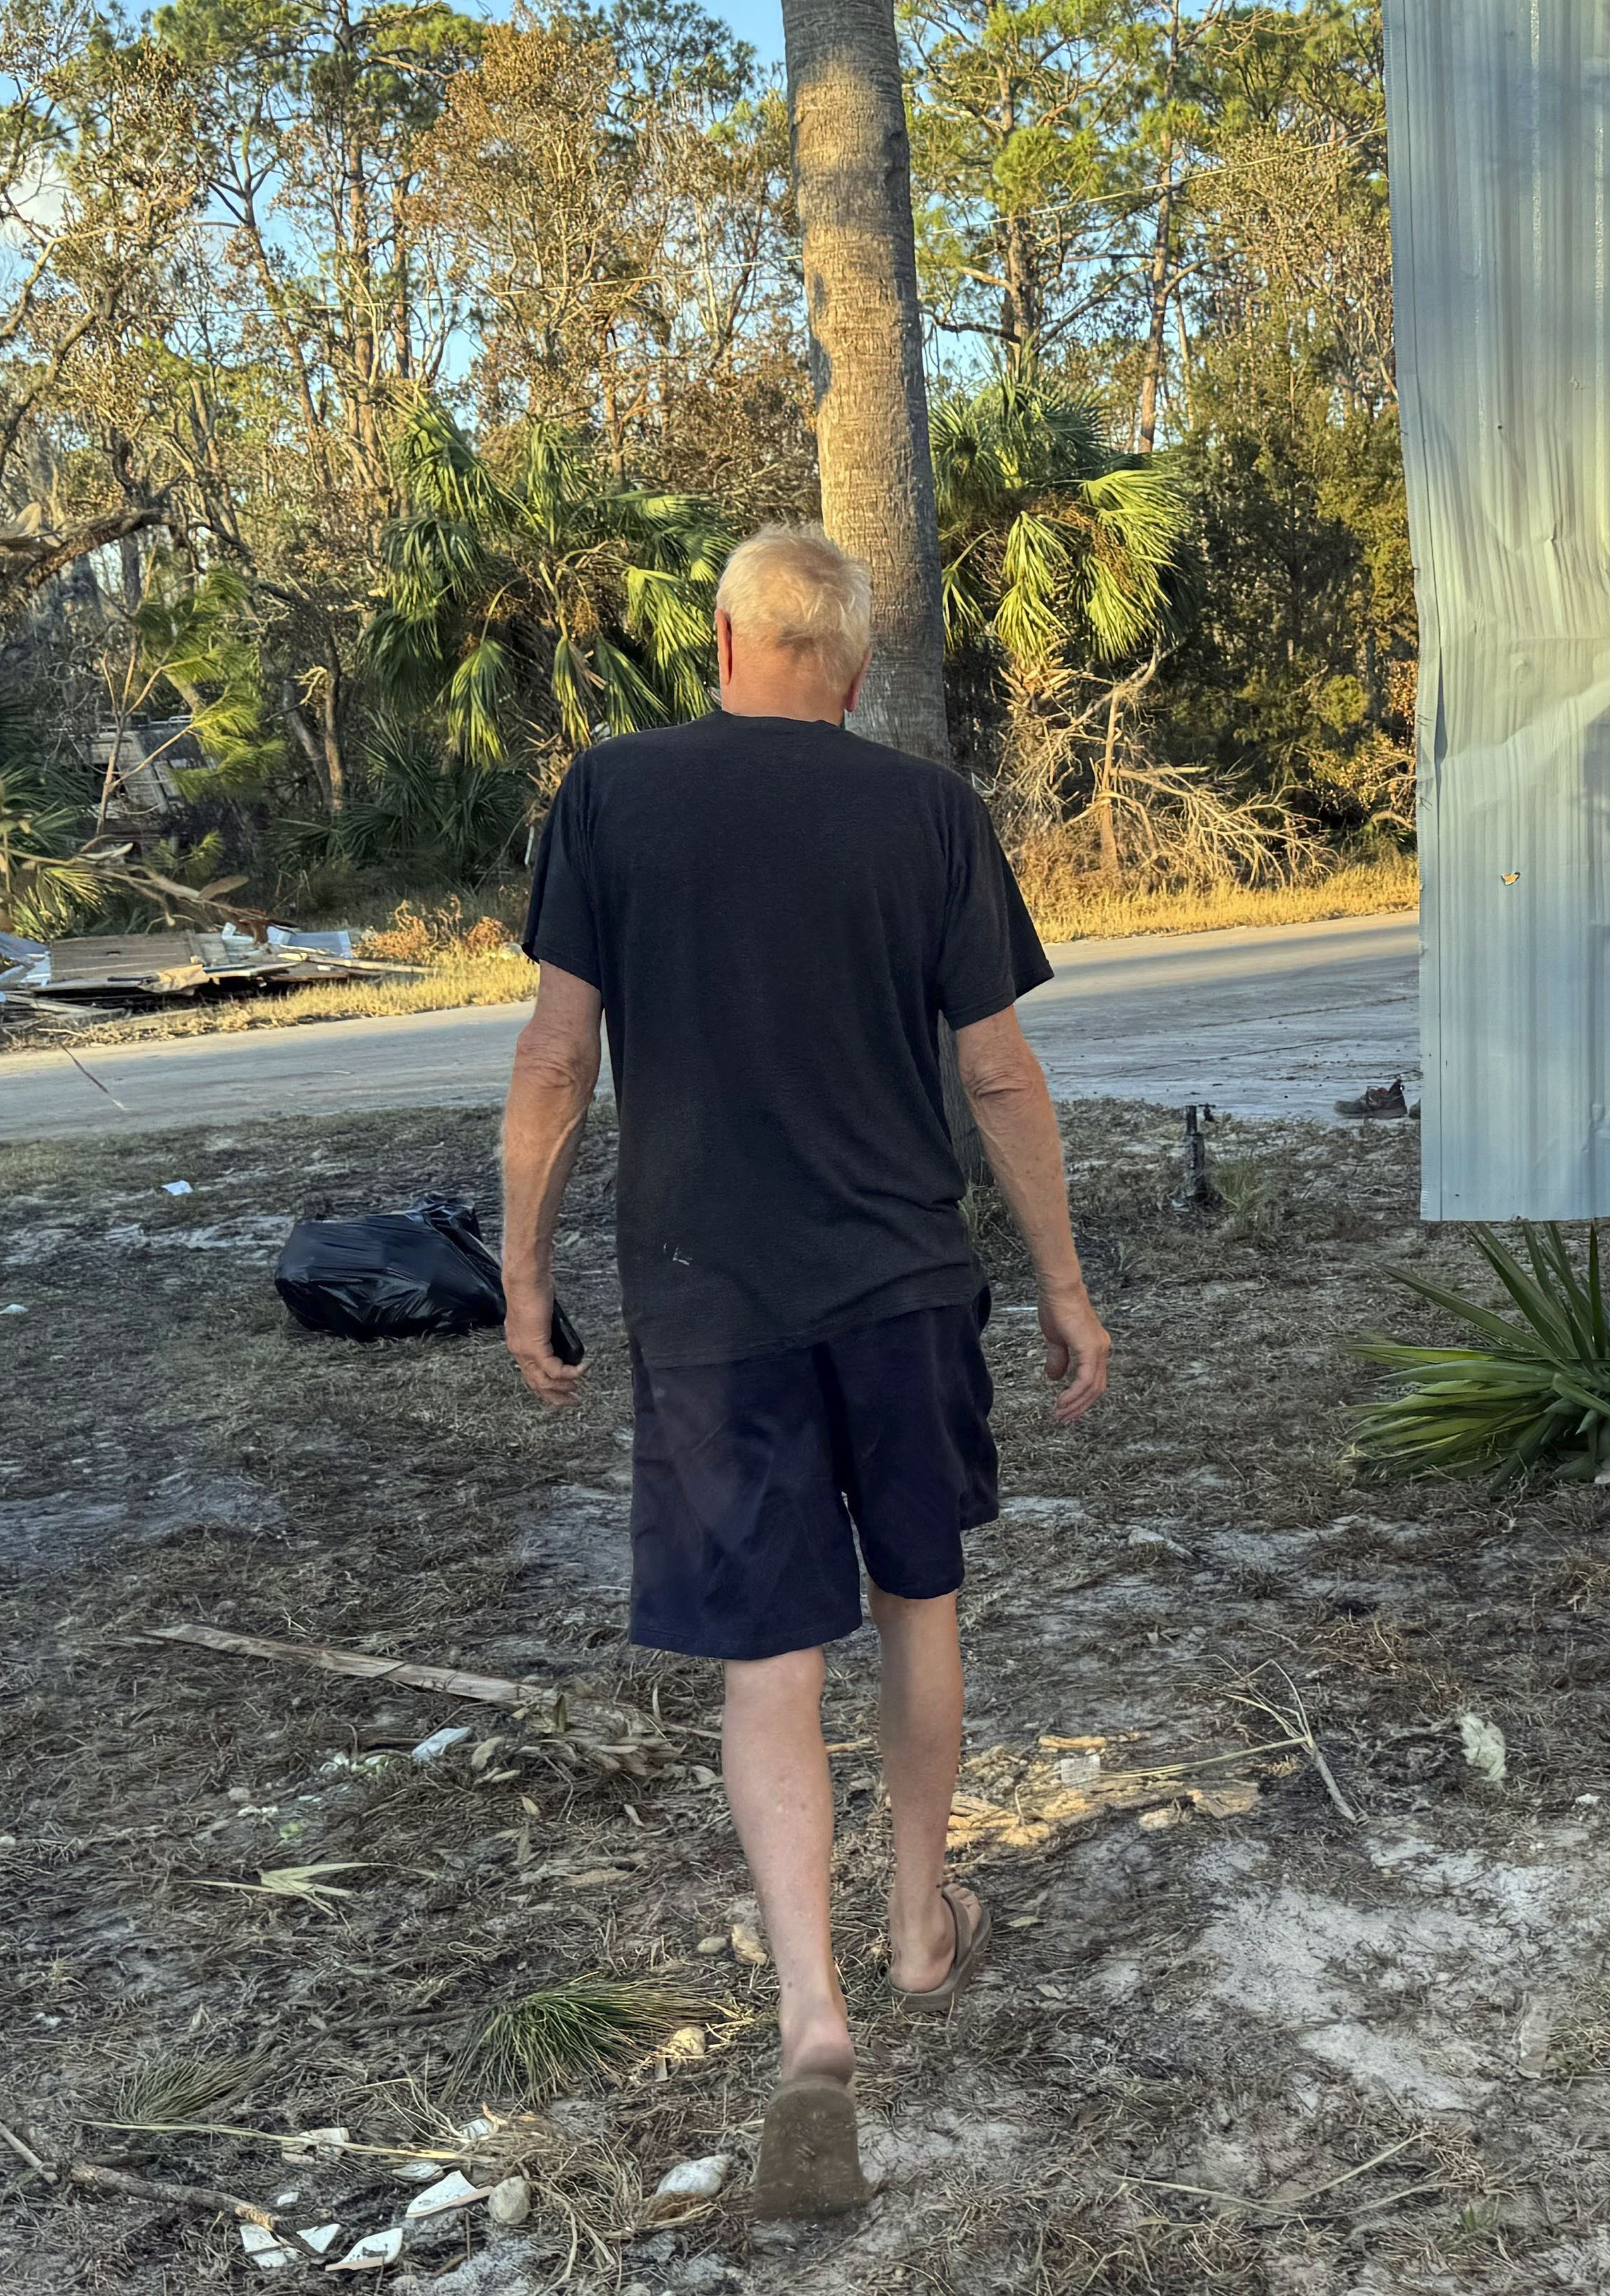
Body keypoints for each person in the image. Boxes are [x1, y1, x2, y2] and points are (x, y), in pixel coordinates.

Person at [496, 525, 1111, 2218]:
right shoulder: (927, 813)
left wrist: (526, 1269)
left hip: (710, 1306)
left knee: (769, 1662)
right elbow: (999, 1079)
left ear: (721, 641)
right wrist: (1062, 1282)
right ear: (847, 666)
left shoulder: (612, 797)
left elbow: (557, 1053)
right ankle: (921, 1923)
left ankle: (812, 2011)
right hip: (906, 1287)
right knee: (920, 1601)